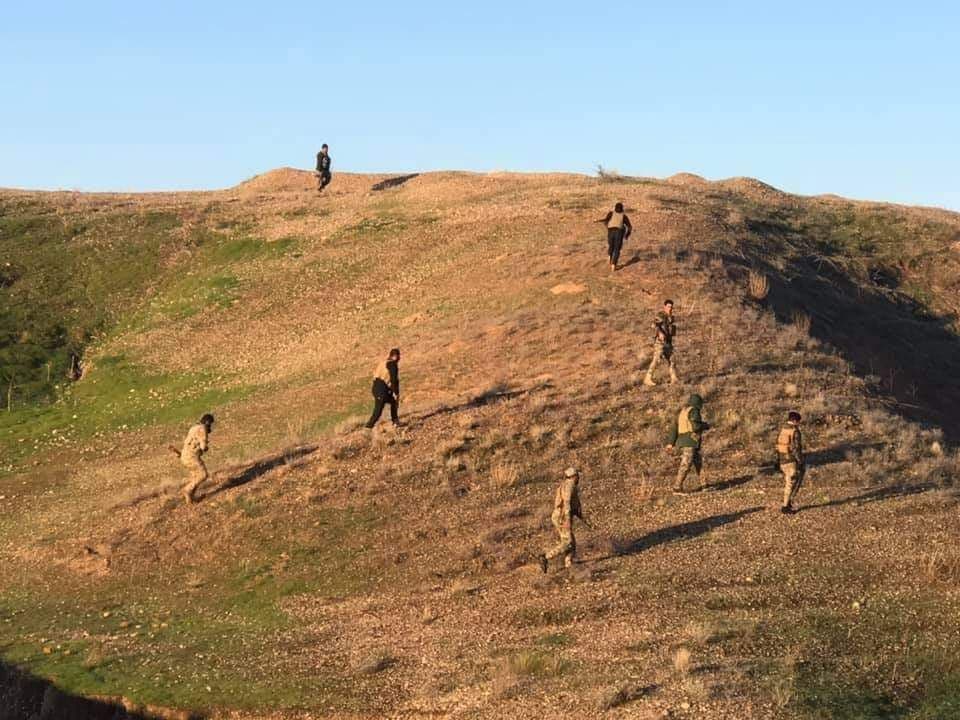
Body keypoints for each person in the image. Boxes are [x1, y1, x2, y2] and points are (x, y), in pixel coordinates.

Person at [538, 467, 584, 572]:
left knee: (571, 542)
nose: (579, 478)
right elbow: (566, 503)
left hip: (560, 516)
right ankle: (546, 557)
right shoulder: (570, 486)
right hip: (562, 517)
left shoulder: (565, 485)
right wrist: (567, 520)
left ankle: (569, 564)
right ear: (573, 477)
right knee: (568, 542)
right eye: (577, 476)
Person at [666, 395, 710, 494]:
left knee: (698, 463)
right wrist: (705, 425)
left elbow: (674, 428)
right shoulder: (694, 411)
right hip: (690, 441)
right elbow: (695, 427)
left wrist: (670, 443)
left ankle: (705, 485)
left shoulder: (682, 412)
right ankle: (677, 488)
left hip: (682, 441)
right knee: (686, 464)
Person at [180, 413, 214, 503]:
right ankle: (187, 490)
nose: (210, 427)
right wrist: (206, 446)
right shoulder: (203, 430)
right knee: (203, 475)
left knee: (195, 476)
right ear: (207, 423)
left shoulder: (193, 427)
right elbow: (203, 447)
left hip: (184, 456)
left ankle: (190, 500)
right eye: (210, 424)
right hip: (192, 457)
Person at [644, 299, 679, 386]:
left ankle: (674, 378)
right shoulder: (661, 315)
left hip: (668, 342)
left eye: (671, 307)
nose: (670, 308)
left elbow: (670, 330)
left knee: (672, 360)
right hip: (660, 342)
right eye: (668, 307)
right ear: (664, 307)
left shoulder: (671, 317)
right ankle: (648, 378)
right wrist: (659, 333)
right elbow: (654, 325)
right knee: (656, 359)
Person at [777, 411, 805, 513]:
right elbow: (796, 449)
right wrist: (800, 462)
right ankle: (786, 506)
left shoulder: (783, 429)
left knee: (789, 483)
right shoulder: (795, 431)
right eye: (798, 421)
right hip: (792, 461)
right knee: (792, 483)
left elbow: (778, 445)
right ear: (794, 420)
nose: (799, 423)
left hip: (782, 460)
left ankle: (787, 504)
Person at [365, 348, 401, 428]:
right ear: (395, 356)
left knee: (392, 401)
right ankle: (368, 426)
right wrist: (396, 392)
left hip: (377, 387)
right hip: (381, 388)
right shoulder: (392, 364)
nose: (399, 359)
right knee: (378, 410)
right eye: (398, 356)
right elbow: (393, 379)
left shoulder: (384, 362)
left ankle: (395, 420)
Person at [598, 202, 632, 271]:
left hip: (611, 231)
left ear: (615, 208)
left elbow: (606, 220)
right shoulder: (624, 216)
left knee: (611, 245)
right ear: (622, 209)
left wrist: (606, 226)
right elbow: (630, 227)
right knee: (617, 249)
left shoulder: (611, 213)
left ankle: (609, 256)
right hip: (619, 232)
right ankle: (613, 265)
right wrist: (627, 235)